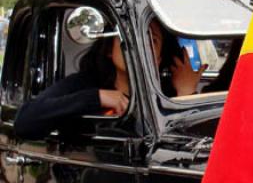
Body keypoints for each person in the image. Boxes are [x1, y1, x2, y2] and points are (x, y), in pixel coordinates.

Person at [14, 18, 204, 140]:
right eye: (126, 38)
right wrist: (96, 98)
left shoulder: (165, 94)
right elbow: (25, 122)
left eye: (151, 40)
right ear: (108, 49)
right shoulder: (84, 84)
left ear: (159, 58)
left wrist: (186, 93)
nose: (138, 47)